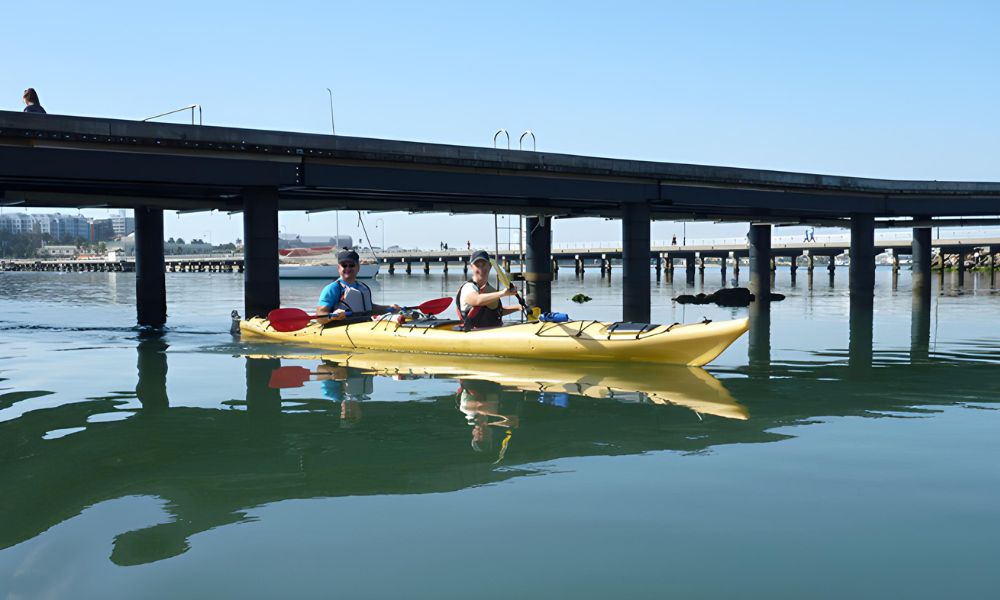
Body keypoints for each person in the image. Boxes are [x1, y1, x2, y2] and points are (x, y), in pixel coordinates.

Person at [316, 249, 399, 324]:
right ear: (338, 268)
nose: (348, 268)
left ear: (358, 267)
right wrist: (333, 316)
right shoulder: (333, 288)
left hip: (365, 325)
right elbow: (320, 317)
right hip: (341, 327)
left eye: (351, 265)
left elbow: (369, 308)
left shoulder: (362, 287)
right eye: (344, 265)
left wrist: (389, 308)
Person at [455, 250, 519, 330]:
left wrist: (519, 307)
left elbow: (499, 312)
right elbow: (477, 300)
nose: (481, 268)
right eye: (477, 265)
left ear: (489, 266)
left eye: (483, 264)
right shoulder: (468, 288)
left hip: (493, 333)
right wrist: (503, 293)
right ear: (471, 267)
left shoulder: (489, 289)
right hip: (473, 334)